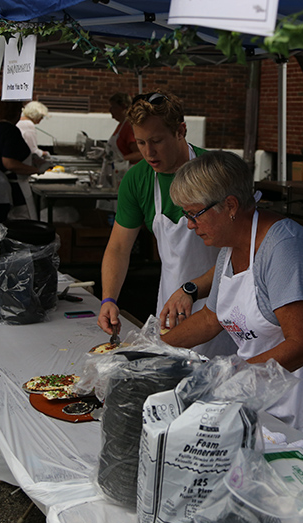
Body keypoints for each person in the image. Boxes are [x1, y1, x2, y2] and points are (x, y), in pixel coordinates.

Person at [161, 151, 303, 438]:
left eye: (195, 214)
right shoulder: (231, 249)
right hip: (273, 381)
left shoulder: (286, 249)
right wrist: (150, 350)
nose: (190, 225)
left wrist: (230, 377)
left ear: (230, 206)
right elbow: (210, 318)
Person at [97, 90, 234, 357]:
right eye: (140, 143)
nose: (149, 152)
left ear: (181, 130)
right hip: (170, 307)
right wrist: (109, 298)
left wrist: (193, 289)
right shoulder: (137, 180)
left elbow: (244, 248)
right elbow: (118, 248)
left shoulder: (217, 172)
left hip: (224, 306)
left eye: (157, 141)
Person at [0, 99, 41, 219]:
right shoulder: (10, 131)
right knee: (22, 223)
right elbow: (9, 163)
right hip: (15, 189)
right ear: (16, 112)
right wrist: (36, 170)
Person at [107, 92, 142, 165]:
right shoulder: (121, 125)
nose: (110, 110)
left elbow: (140, 154)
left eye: (113, 107)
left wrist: (121, 159)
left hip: (128, 169)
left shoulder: (128, 127)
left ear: (123, 107)